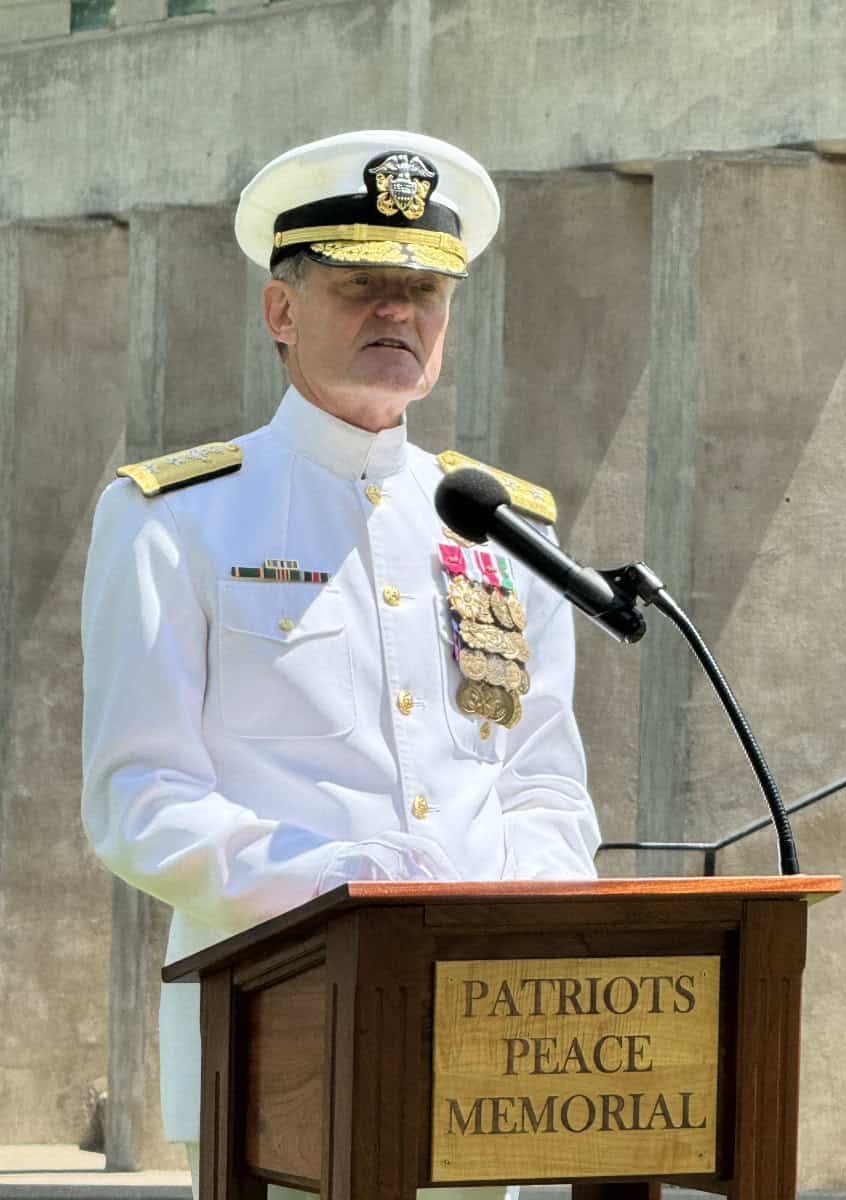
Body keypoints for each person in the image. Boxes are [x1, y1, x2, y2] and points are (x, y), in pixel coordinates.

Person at [81, 130, 600, 1200]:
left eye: (425, 293)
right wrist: (338, 892)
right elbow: (139, 795)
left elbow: (545, 782)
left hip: (477, 1026)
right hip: (273, 1018)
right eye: (365, 286)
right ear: (282, 311)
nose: (399, 315)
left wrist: (518, 924)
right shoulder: (176, 517)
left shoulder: (506, 529)